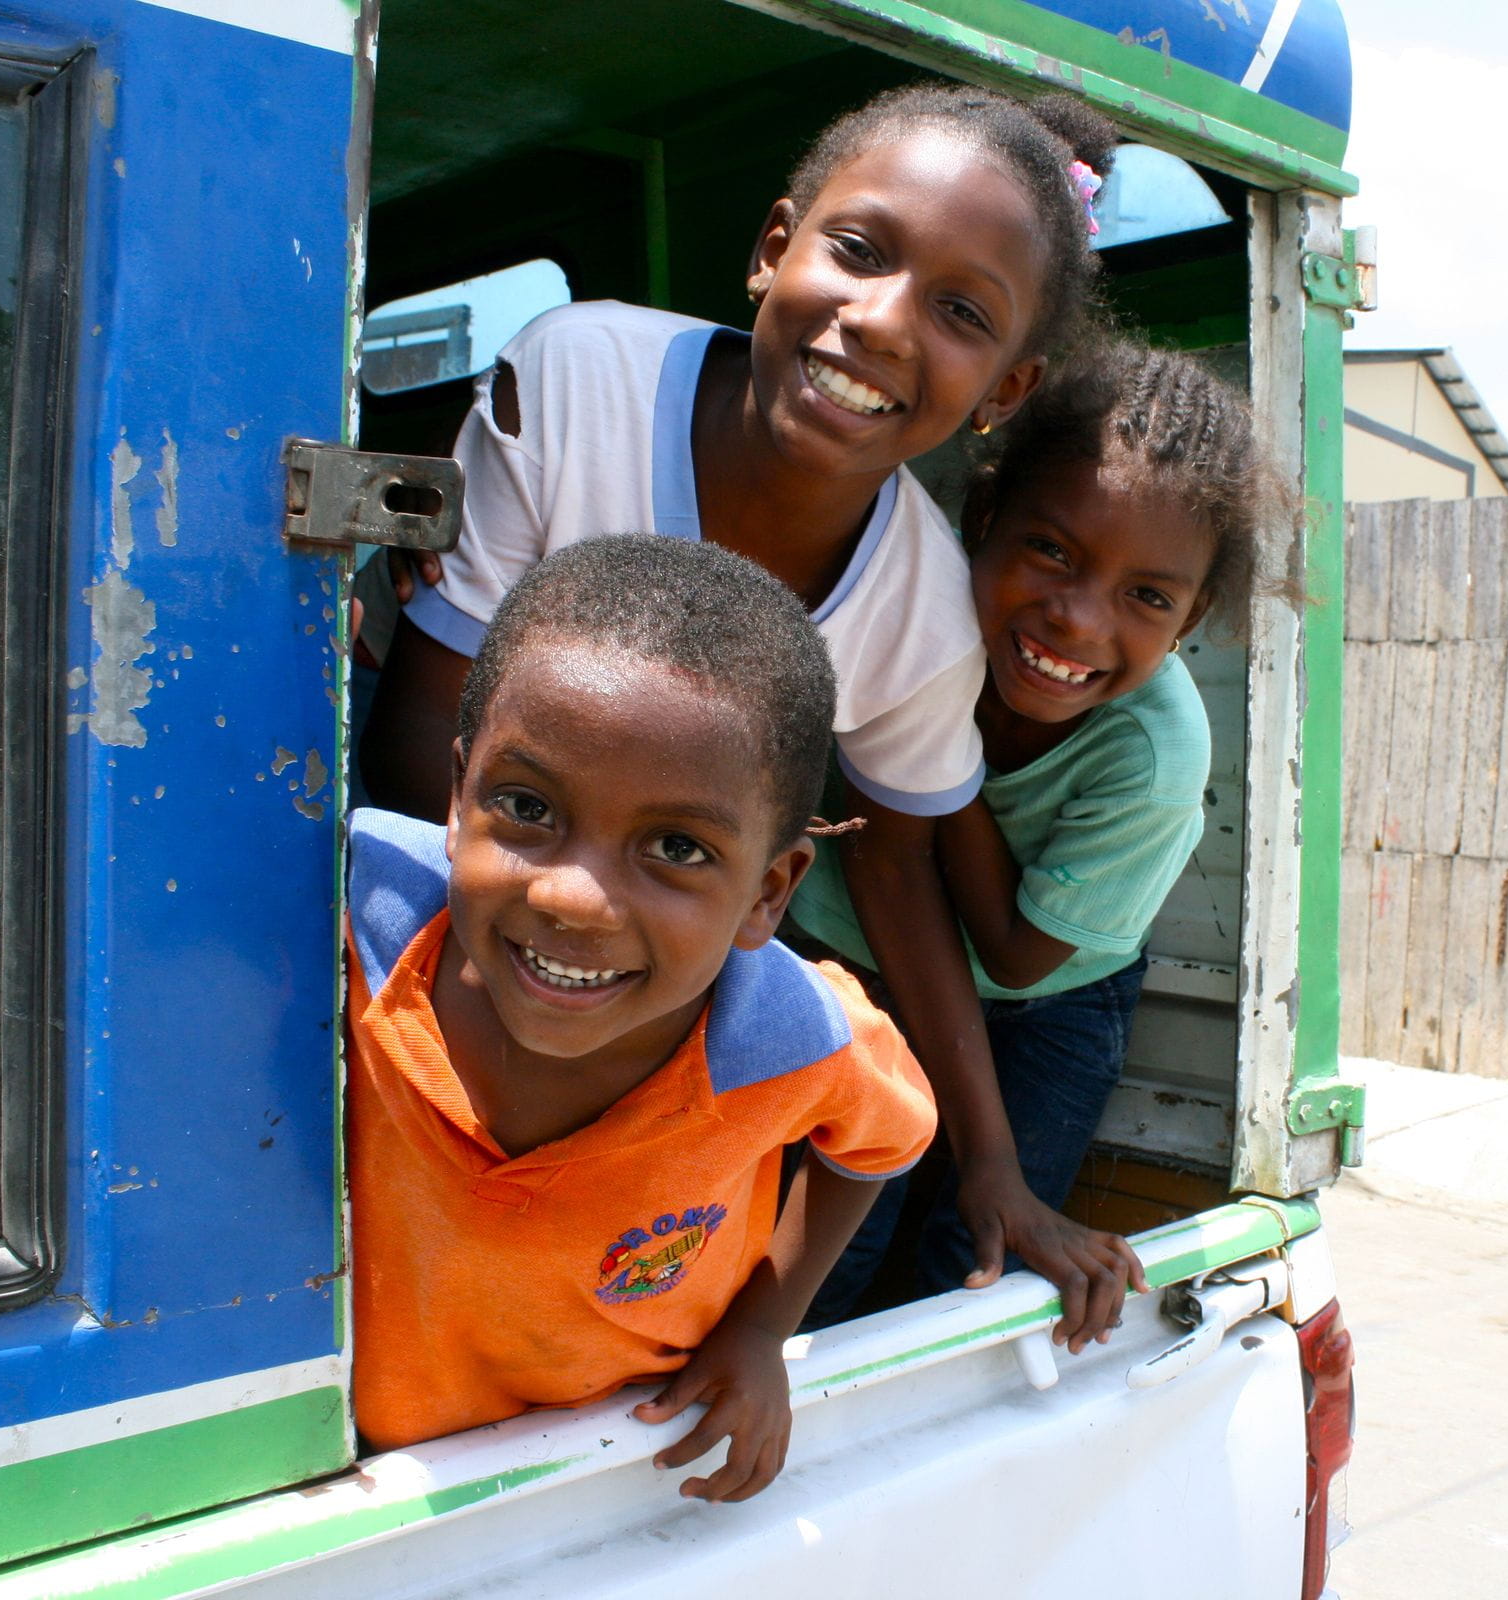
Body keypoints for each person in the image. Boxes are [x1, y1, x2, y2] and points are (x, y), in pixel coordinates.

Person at [358, 83, 1144, 1347]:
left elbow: (902, 875)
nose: (881, 321)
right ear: (774, 248)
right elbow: (420, 746)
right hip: (449, 897)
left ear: (1007, 388)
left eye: (958, 313)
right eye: (859, 250)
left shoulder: (924, 613)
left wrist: (995, 1166)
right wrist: (490, 1013)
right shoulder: (582, 376)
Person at [344, 537, 937, 1502]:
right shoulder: (355, 930)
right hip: (352, 1484)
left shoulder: (789, 1036)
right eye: (526, 805)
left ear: (770, 893)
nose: (575, 897)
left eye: (675, 847)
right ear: (457, 800)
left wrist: (760, 1329)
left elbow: (885, 1142)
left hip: (618, 1472)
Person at [791, 340, 1291, 1335]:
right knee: (829, 1248)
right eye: (1051, 551)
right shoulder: (910, 625)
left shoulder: (1153, 753)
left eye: (1148, 597)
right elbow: (890, 864)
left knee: (977, 1257)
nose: (1075, 621)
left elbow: (1017, 959)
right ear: (983, 522)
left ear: (1191, 620)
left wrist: (938, 761)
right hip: (856, 946)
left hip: (1047, 997)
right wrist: (930, 749)